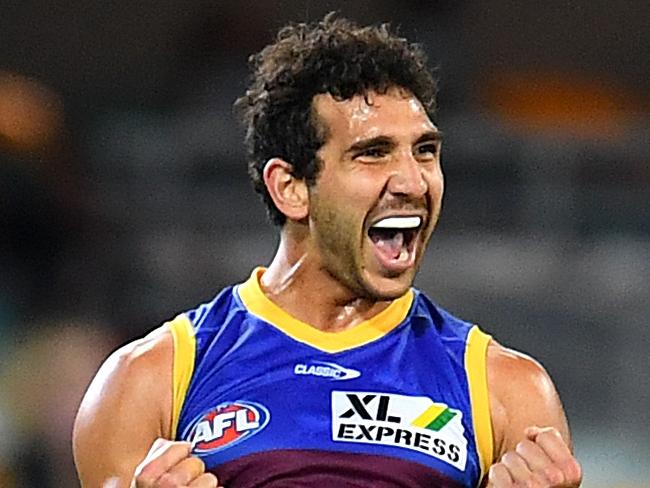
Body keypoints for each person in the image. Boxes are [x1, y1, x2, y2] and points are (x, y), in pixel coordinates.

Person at [73, 14, 582, 488]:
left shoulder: (509, 391)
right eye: (373, 153)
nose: (413, 180)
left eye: (425, 150)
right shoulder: (149, 382)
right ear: (290, 187)